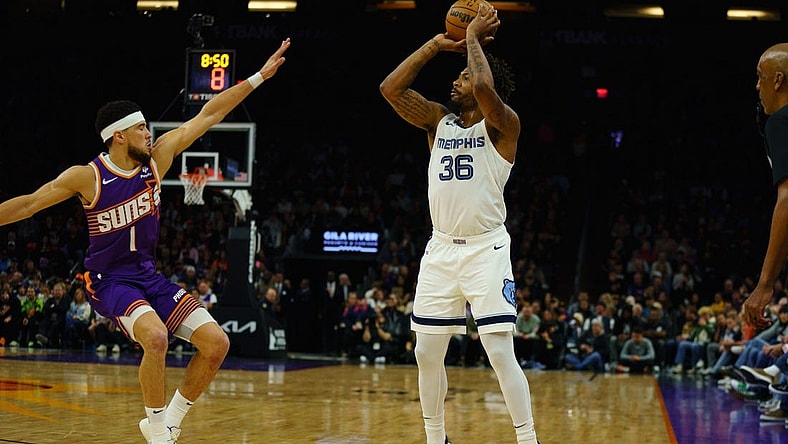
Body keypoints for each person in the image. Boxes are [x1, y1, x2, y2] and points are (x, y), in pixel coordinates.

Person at [0, 38, 291, 444]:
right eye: (140, 128)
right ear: (118, 136)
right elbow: (29, 204)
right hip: (108, 281)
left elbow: (209, 114)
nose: (149, 132)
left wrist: (259, 77)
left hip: (148, 277)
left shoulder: (159, 160)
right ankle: (158, 432)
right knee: (156, 338)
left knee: (217, 343)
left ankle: (169, 419)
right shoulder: (88, 176)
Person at [379, 6, 539, 444]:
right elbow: (390, 88)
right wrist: (436, 44)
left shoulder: (504, 124)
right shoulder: (438, 121)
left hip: (486, 249)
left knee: (500, 352)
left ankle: (528, 439)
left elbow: (486, 84)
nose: (457, 80)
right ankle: (436, 438)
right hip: (441, 249)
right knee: (426, 352)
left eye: (463, 76)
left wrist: (471, 37)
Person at [742, 43, 788, 333]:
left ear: (779, 80)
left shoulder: (781, 121)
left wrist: (764, 283)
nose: (757, 86)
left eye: (761, 77)